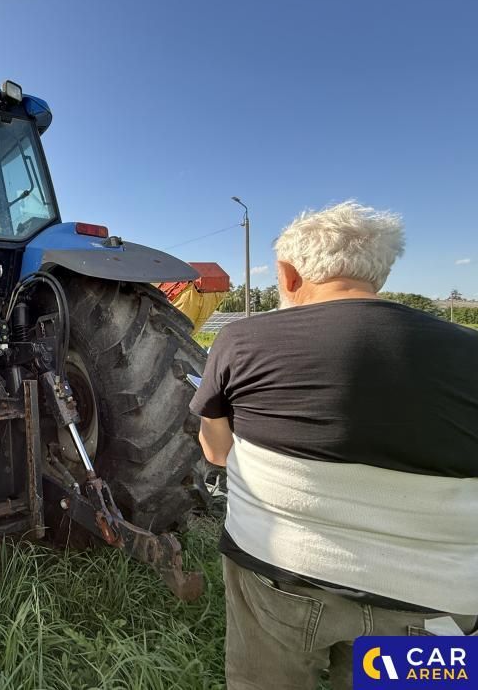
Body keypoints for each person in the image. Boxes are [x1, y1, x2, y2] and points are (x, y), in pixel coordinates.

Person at [189, 201, 478, 690]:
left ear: (287, 274)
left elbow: (215, 450)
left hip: (281, 578)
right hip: (436, 604)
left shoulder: (241, 342)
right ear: (380, 276)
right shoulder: (469, 350)